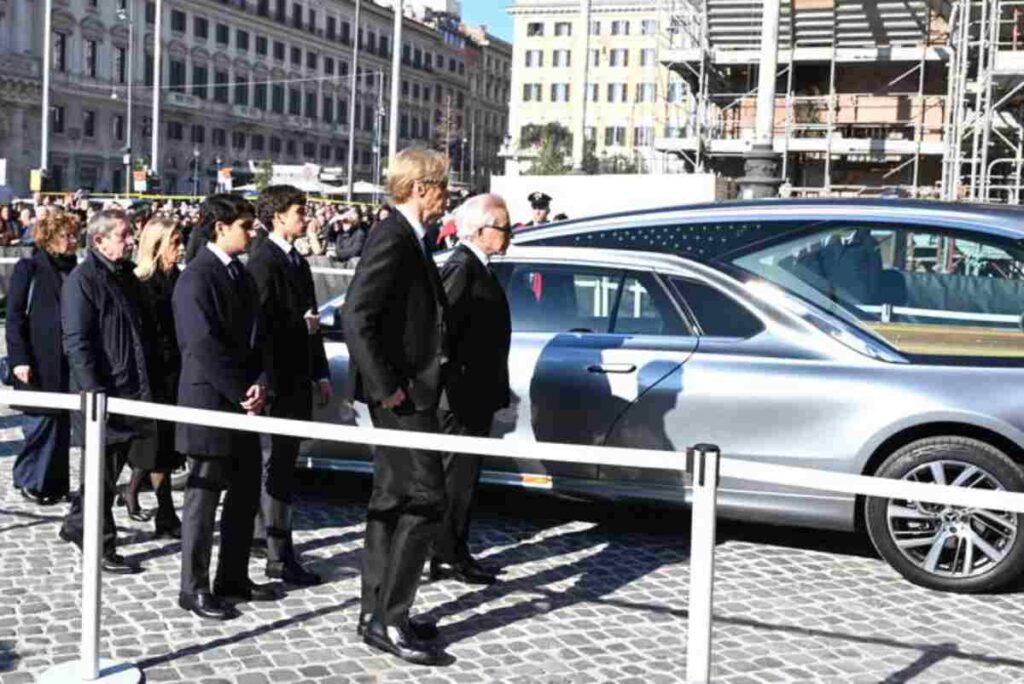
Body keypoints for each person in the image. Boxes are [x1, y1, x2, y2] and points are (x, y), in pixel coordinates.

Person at [342, 148, 451, 666]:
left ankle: (377, 611)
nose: (446, 199)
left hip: (408, 391)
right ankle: (392, 617)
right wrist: (390, 388)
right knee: (425, 497)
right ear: (420, 188)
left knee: (391, 498)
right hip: (404, 397)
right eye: (443, 188)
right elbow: (356, 314)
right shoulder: (393, 235)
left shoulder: (407, 236)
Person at [173, 194, 276, 621]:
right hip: (210, 402)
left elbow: (258, 336)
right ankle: (193, 587)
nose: (253, 233)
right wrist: (241, 390)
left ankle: (233, 577)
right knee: (202, 500)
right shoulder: (197, 278)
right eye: (246, 226)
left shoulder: (242, 275)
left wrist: (260, 382)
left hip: (242, 402)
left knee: (245, 492)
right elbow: (202, 346)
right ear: (220, 228)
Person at [58, 209, 155, 575]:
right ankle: (100, 545)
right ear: (99, 241)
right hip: (102, 394)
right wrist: (93, 391)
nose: (130, 241)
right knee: (99, 475)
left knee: (106, 472)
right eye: (123, 235)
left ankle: (76, 524)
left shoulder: (124, 276)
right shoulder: (83, 280)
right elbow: (77, 342)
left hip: (129, 389)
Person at [248, 185, 331, 587]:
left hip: (297, 377)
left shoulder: (295, 259)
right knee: (276, 469)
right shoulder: (264, 260)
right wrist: (302, 328)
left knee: (281, 466)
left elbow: (310, 318)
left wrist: (321, 372)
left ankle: (263, 537)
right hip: (277, 382)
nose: (307, 217)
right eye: (300, 211)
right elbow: (259, 326)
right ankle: (278, 556)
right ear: (278, 216)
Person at [430, 194, 512, 586]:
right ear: (480, 231)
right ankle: (446, 554)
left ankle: (455, 549)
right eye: (503, 227)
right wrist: (455, 380)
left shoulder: (478, 266)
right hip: (461, 395)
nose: (508, 234)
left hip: (474, 392)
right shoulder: (461, 267)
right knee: (456, 480)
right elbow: (442, 331)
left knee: (465, 480)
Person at [6, 213, 79, 505]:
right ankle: (29, 478)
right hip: (37, 358)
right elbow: (14, 318)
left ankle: (55, 482)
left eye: (75, 235)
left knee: (61, 424)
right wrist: (19, 359)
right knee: (40, 423)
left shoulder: (74, 268)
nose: (74, 241)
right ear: (51, 238)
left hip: (65, 359)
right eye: (68, 236)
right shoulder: (30, 267)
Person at [121, 217, 185, 538]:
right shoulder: (140, 283)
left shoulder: (181, 277)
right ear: (157, 246)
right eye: (175, 242)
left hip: (177, 371)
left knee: (167, 446)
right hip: (151, 375)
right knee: (153, 443)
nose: (182, 247)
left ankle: (134, 491)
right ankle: (166, 512)